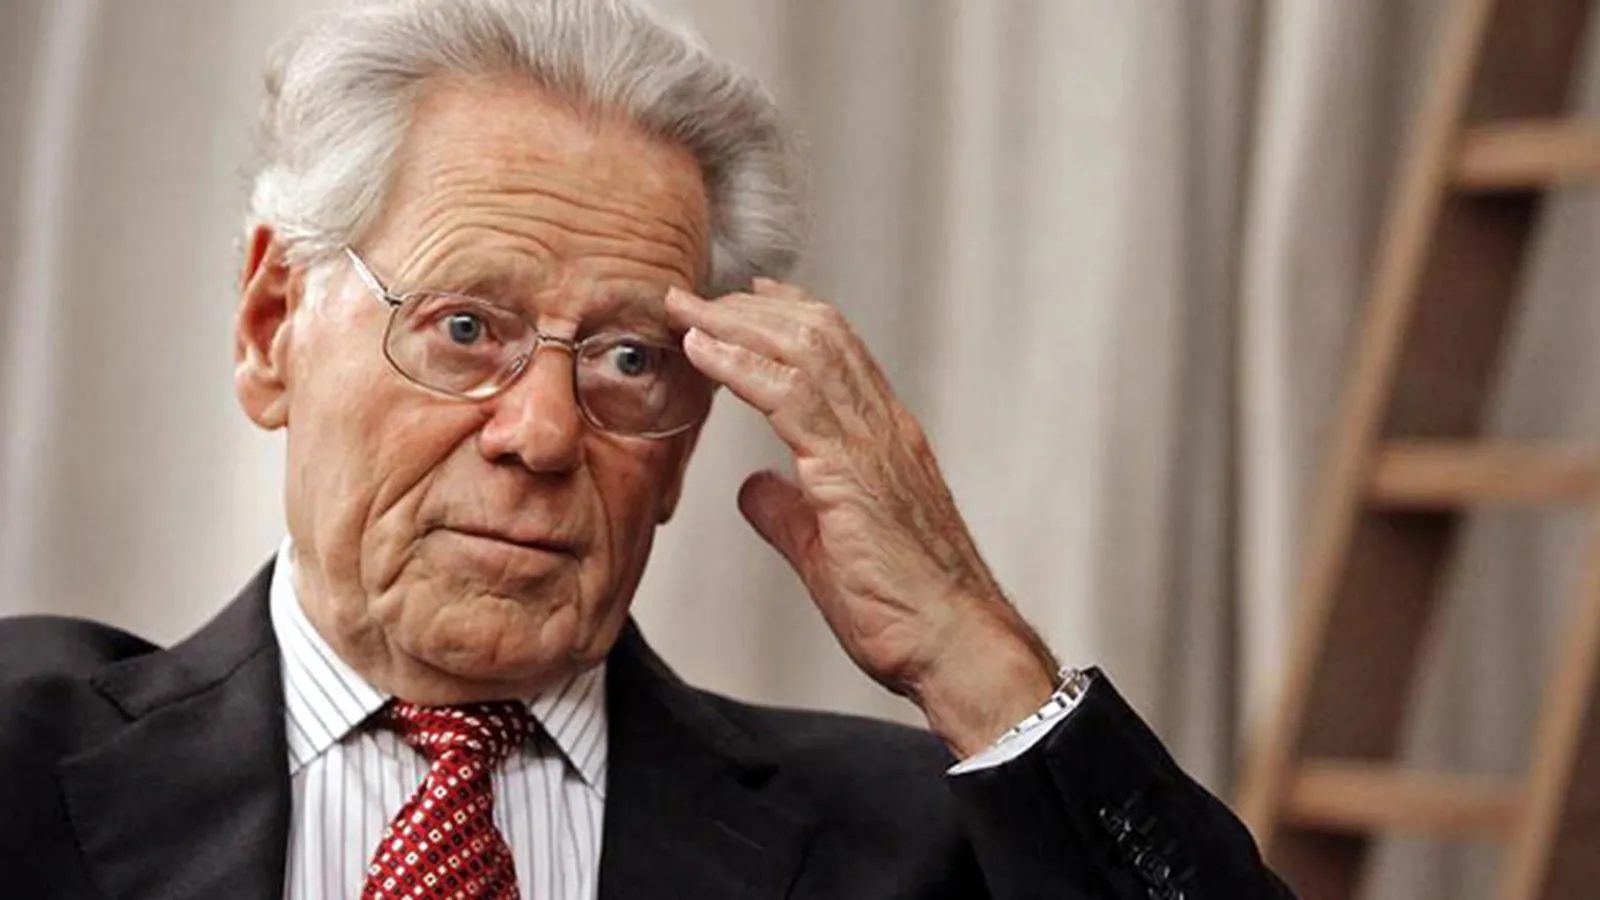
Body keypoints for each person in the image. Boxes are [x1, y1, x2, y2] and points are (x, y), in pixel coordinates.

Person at [0, 1, 1293, 897]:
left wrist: (970, 645)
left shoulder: (912, 841)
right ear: (271, 326)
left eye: (629, 359)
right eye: (465, 328)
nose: (545, 433)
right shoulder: (24, 757)